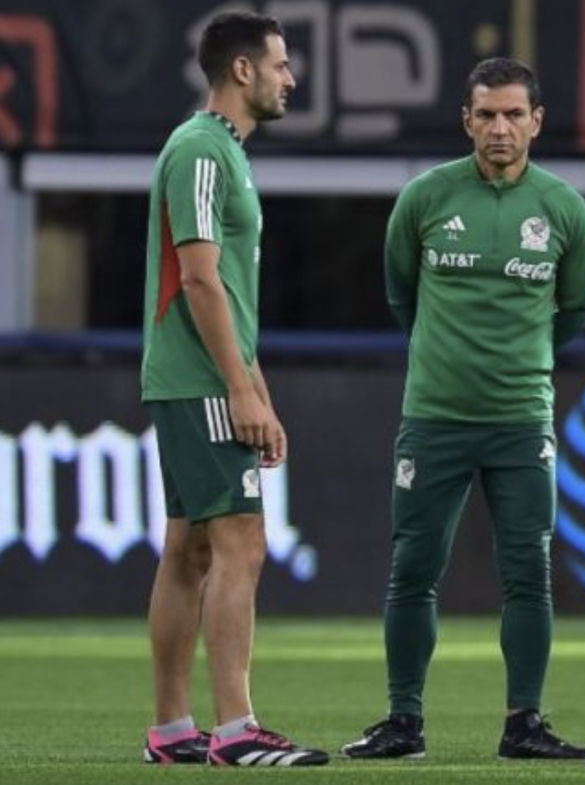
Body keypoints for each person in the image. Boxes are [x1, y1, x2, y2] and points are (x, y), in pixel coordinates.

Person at [341, 57, 585, 762]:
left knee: (529, 573)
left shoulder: (565, 209)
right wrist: (447, 357)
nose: (500, 128)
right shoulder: (425, 198)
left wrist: (520, 361)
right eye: (486, 115)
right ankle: (404, 721)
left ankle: (524, 723)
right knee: (413, 569)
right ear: (466, 121)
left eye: (514, 114)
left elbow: (576, 308)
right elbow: (401, 295)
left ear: (536, 121)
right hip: (434, 417)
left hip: (521, 419)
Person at [140, 11, 327, 767]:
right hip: (199, 380)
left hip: (196, 378)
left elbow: (229, 297)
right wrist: (238, 392)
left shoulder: (221, 153)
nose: (290, 79)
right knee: (241, 542)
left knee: (188, 548)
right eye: (281, 65)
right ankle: (237, 729)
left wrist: (259, 389)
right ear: (243, 70)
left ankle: (172, 729)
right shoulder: (201, 149)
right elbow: (199, 280)